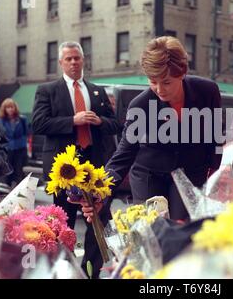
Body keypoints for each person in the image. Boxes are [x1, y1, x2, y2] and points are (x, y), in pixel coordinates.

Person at [81, 36, 222, 222]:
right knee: (152, 229)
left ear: (182, 73)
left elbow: (216, 135)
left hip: (190, 171)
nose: (159, 89)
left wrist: (215, 174)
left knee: (184, 229)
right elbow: (123, 156)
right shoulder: (140, 105)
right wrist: (101, 191)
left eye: (166, 82)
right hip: (149, 174)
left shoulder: (207, 91)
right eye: (152, 81)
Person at [31, 41, 121, 278]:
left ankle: (89, 271)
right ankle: (62, 269)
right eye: (68, 59)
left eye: (77, 58)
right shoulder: (47, 90)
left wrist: (100, 122)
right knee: (63, 222)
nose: (73, 62)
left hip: (95, 165)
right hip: (64, 168)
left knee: (98, 219)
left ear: (83, 60)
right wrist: (73, 120)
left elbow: (115, 124)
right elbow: (38, 124)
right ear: (60, 62)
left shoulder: (97, 91)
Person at [0, 98, 28, 188]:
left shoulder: (22, 119)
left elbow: (26, 133)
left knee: (19, 171)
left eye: (12, 107)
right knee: (8, 171)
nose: (10, 109)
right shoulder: (1, 120)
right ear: (4, 109)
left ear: (15, 108)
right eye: (8, 107)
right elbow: (1, 135)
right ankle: (7, 191)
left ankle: (19, 190)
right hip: (7, 149)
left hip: (20, 148)